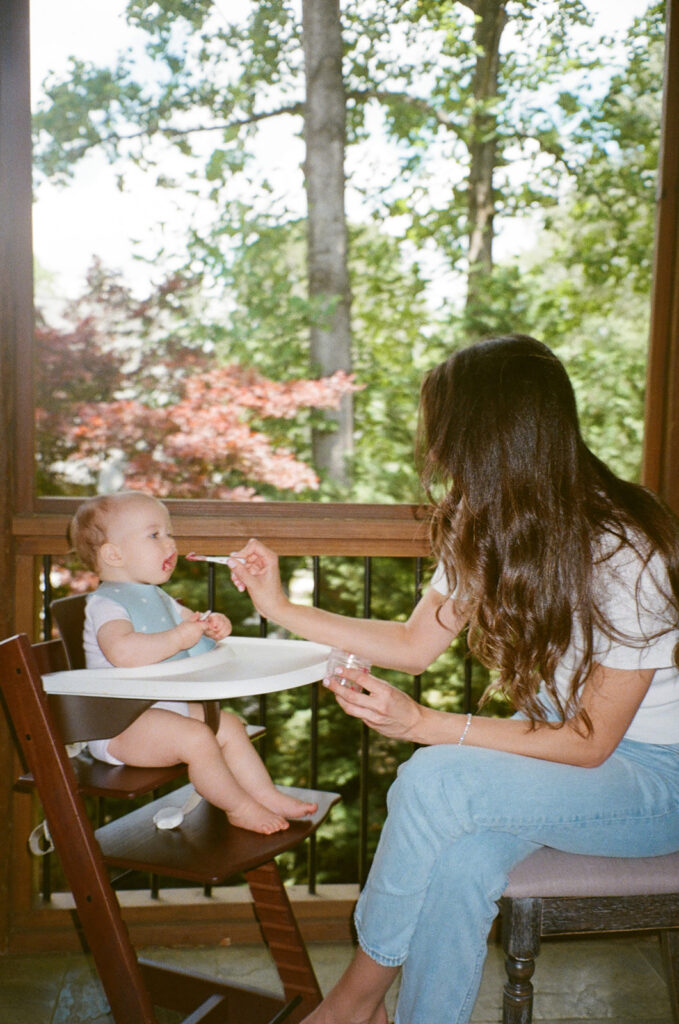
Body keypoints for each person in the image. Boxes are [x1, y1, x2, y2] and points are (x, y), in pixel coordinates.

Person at [227, 335, 679, 1023]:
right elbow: (412, 646)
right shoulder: (489, 526)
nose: (433, 452)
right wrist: (280, 608)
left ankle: (354, 1001)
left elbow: (589, 744)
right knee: (459, 862)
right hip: (571, 768)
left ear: (490, 437)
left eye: (443, 432)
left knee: (436, 777)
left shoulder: (624, 550)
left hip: (655, 782)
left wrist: (425, 725)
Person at [69, 491, 317, 835]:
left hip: (161, 710)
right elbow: (123, 653)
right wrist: (181, 637)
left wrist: (212, 626)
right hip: (118, 726)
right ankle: (239, 807)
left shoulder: (159, 598)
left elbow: (193, 627)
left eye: (170, 533)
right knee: (198, 738)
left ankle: (265, 794)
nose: (170, 543)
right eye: (154, 535)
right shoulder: (106, 605)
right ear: (114, 554)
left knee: (228, 725)